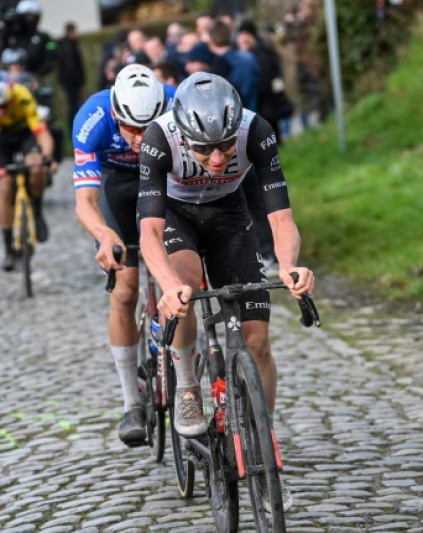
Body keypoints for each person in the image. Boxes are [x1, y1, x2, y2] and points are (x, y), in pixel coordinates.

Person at [136, 75, 313, 505]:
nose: (216, 158)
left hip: (229, 214)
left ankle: (263, 449)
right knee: (182, 282)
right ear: (183, 134)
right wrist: (168, 285)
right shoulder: (159, 138)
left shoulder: (257, 131)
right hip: (177, 216)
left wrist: (289, 266)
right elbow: (149, 232)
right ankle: (188, 388)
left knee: (258, 341)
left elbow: (281, 218)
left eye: (226, 146)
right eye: (203, 149)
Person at [72, 64, 174, 446]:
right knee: (124, 292)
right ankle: (132, 400)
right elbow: (85, 200)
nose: (139, 137)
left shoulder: (177, 104)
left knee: (178, 275)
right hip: (118, 186)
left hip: (163, 181)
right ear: (115, 114)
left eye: (147, 127)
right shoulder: (92, 118)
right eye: (130, 128)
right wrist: (103, 234)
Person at [0, 69, 56, 271]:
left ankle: (36, 209)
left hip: (24, 131)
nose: (1, 110)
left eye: (5, 105)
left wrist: (46, 157)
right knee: (5, 187)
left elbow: (43, 134)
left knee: (36, 167)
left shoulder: (22, 95)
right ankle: (9, 249)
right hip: (0, 137)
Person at [58, 22, 86, 135]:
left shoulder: (68, 45)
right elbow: (71, 66)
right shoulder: (69, 46)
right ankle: (74, 130)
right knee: (74, 107)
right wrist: (78, 80)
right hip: (72, 83)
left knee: (74, 106)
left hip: (70, 83)